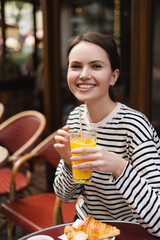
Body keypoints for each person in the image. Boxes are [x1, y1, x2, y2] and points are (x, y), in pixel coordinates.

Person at [53, 32, 160, 237]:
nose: (83, 74)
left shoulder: (134, 126)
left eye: (96, 66)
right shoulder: (76, 118)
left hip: (127, 231)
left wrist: (119, 167)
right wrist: (69, 164)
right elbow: (65, 196)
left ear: (113, 76)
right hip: (86, 227)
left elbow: (157, 221)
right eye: (75, 66)